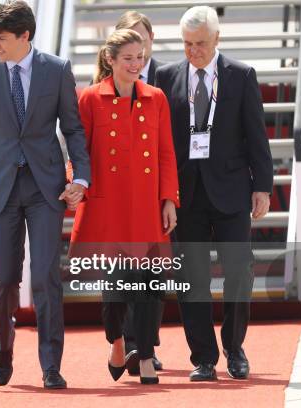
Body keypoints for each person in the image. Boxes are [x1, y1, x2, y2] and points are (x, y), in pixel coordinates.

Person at [0, 0, 91, 389]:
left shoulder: (56, 69)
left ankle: (51, 365)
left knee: (46, 276)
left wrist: (82, 178)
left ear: (25, 36)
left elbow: (74, 129)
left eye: (1, 37)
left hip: (46, 187)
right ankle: (4, 344)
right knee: (4, 279)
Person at [155, 6, 273, 381]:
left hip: (231, 189)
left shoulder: (240, 75)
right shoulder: (166, 75)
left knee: (240, 270)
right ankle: (203, 358)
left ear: (217, 39)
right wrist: (166, 195)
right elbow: (163, 142)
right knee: (193, 276)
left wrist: (263, 187)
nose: (194, 52)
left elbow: (257, 135)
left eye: (201, 44)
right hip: (187, 193)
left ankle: (234, 347)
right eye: (187, 44)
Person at [70, 29, 178, 385]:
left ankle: (145, 355)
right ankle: (117, 342)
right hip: (108, 205)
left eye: (140, 57)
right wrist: (76, 183)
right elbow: (78, 152)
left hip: (146, 204)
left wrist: (168, 200)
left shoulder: (156, 97)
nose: (136, 64)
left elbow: (165, 153)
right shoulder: (89, 98)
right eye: (128, 58)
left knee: (149, 284)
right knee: (115, 288)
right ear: (110, 60)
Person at [114, 10, 166, 374]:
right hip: (117, 197)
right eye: (129, 38)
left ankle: (148, 343)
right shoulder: (103, 82)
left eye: (142, 39)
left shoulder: (166, 78)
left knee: (152, 274)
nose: (137, 47)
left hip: (154, 190)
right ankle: (132, 344)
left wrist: (169, 194)